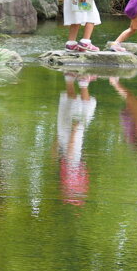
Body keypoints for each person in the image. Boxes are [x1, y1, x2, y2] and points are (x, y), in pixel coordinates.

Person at [56, 73, 97, 205]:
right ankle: (70, 78)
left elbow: (70, 151)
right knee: (70, 107)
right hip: (66, 136)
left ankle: (82, 83)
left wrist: (74, 131)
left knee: (81, 112)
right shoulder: (70, 173)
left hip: (71, 136)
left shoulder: (71, 171)